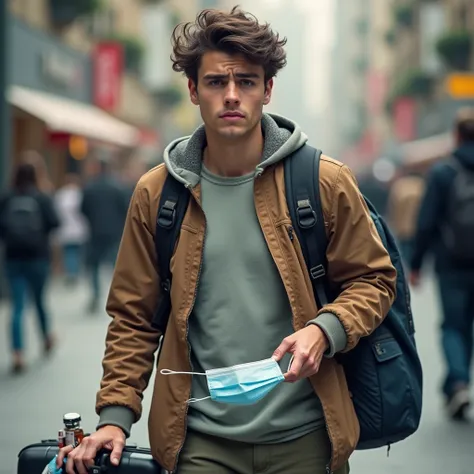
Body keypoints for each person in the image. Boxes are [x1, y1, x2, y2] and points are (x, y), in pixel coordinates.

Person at [58, 7, 396, 474]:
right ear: (194, 90)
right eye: (217, 82)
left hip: (306, 437)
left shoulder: (323, 181)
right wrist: (115, 417)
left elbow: (375, 280)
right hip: (199, 443)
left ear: (267, 89)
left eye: (247, 82)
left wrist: (326, 329)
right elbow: (133, 316)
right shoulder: (158, 193)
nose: (232, 96)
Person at [410, 108, 474, 421]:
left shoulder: (443, 172)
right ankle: (458, 382)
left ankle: (458, 383)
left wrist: (416, 263)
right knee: (468, 326)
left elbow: (426, 222)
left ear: (457, 135)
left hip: (452, 263)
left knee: (453, 324)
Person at [0, 162, 59, 374]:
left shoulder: (8, 197)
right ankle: (45, 337)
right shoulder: (41, 197)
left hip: (13, 258)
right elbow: (55, 223)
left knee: (17, 306)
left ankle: (17, 353)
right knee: (39, 300)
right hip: (38, 257)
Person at [80, 159, 129, 313]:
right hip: (114, 233)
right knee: (116, 266)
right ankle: (120, 297)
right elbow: (126, 208)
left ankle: (96, 295)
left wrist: (92, 221)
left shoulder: (90, 187)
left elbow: (83, 209)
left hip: (95, 232)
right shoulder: (118, 187)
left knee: (93, 266)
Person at [54, 174, 89, 285]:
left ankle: (71, 273)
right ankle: (75, 272)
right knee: (76, 253)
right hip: (78, 228)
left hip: (65, 229)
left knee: (69, 252)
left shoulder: (60, 195)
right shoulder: (80, 194)